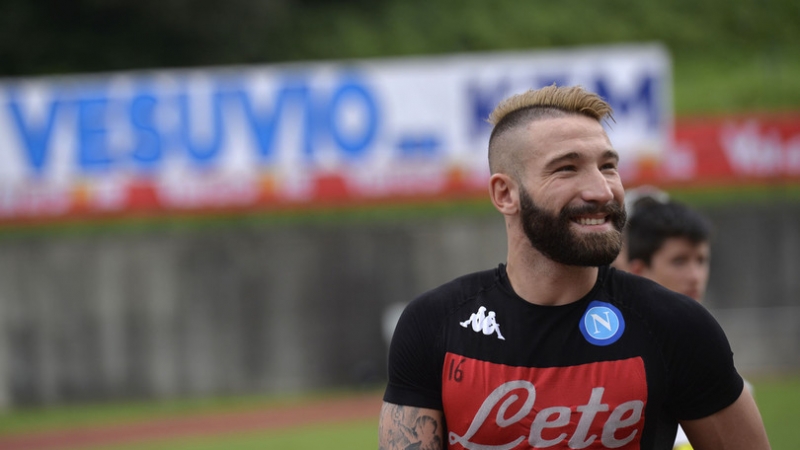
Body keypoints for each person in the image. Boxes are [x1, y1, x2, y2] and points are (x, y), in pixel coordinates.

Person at [379, 85, 771, 450]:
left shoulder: (676, 325)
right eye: (566, 168)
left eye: (608, 166)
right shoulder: (434, 324)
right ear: (505, 193)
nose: (602, 190)